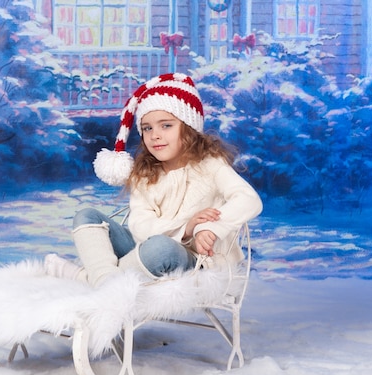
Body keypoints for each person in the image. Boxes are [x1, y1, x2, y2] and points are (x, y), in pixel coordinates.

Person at [45, 73, 263, 287]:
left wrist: (211, 228)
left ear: (189, 129)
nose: (154, 135)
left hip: (195, 261)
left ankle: (89, 278)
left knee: (161, 247)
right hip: (144, 250)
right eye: (147, 128)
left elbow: (248, 199)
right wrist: (185, 228)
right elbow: (140, 227)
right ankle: (105, 283)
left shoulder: (210, 165)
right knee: (87, 215)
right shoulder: (145, 175)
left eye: (166, 125)